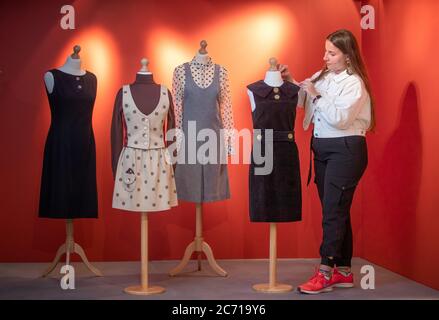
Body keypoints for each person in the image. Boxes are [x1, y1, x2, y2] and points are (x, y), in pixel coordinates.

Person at [279, 29, 375, 294]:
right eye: (326, 52)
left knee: (333, 211)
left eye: (332, 53)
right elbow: (303, 100)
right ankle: (343, 271)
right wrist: (291, 82)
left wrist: (316, 93)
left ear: (347, 55)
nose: (326, 57)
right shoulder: (322, 76)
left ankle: (325, 272)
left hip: (346, 150)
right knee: (336, 210)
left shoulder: (354, 83)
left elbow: (340, 118)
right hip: (322, 149)